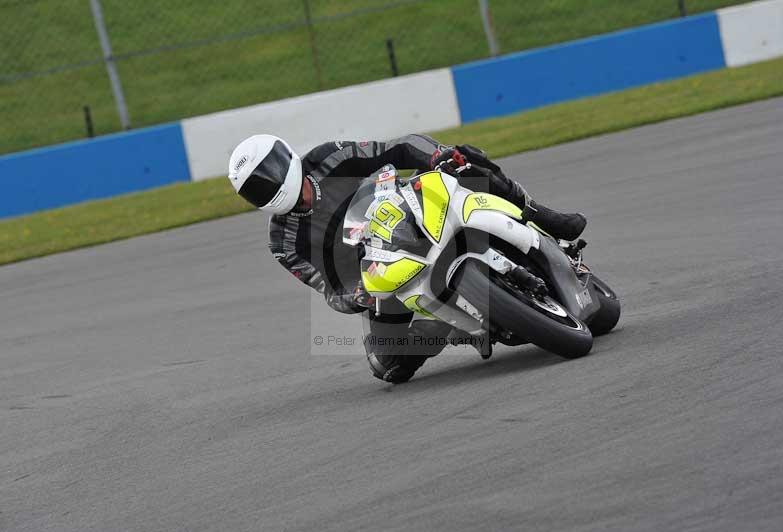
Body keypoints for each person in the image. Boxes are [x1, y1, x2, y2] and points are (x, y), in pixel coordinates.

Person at [226, 134, 586, 383]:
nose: (268, 186)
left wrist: (436, 156)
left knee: (461, 158)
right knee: (386, 365)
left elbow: (397, 149)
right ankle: (448, 326)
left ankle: (541, 215)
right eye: (256, 187)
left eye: (268, 174)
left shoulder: (328, 157)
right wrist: (356, 295)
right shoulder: (282, 241)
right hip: (383, 272)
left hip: (412, 212)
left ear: (285, 158)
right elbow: (327, 287)